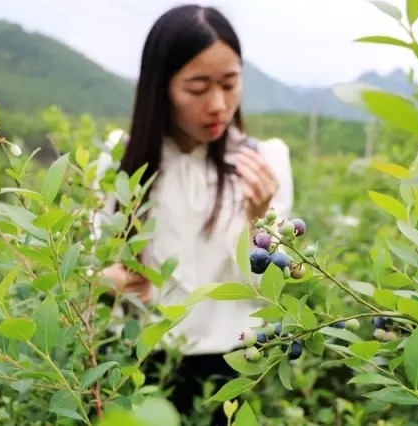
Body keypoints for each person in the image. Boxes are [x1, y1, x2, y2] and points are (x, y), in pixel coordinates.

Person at [92, 4, 294, 425]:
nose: (218, 105)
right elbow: (94, 260)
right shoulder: (121, 161)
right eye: (197, 88)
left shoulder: (264, 163)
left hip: (229, 363)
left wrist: (260, 220)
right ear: (160, 87)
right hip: (139, 361)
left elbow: (263, 285)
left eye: (229, 83)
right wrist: (104, 280)